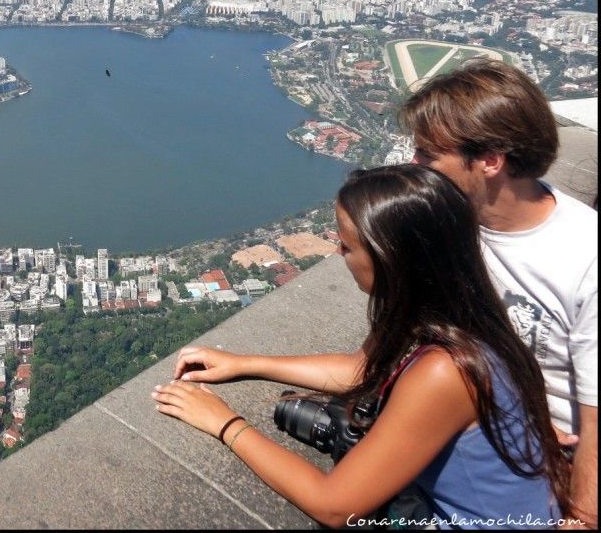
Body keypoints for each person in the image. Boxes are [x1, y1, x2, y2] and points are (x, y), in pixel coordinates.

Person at [153, 165, 570, 529]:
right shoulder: (452, 311)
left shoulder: (448, 370)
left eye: (349, 245)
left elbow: (335, 506)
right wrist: (245, 363)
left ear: (391, 259)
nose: (339, 252)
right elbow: (363, 370)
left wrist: (225, 423)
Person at [400, 59, 597, 528]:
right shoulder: (456, 226)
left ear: (490, 161)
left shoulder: (585, 259)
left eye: (429, 154)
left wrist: (583, 519)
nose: (414, 165)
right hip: (490, 428)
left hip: (551, 466)